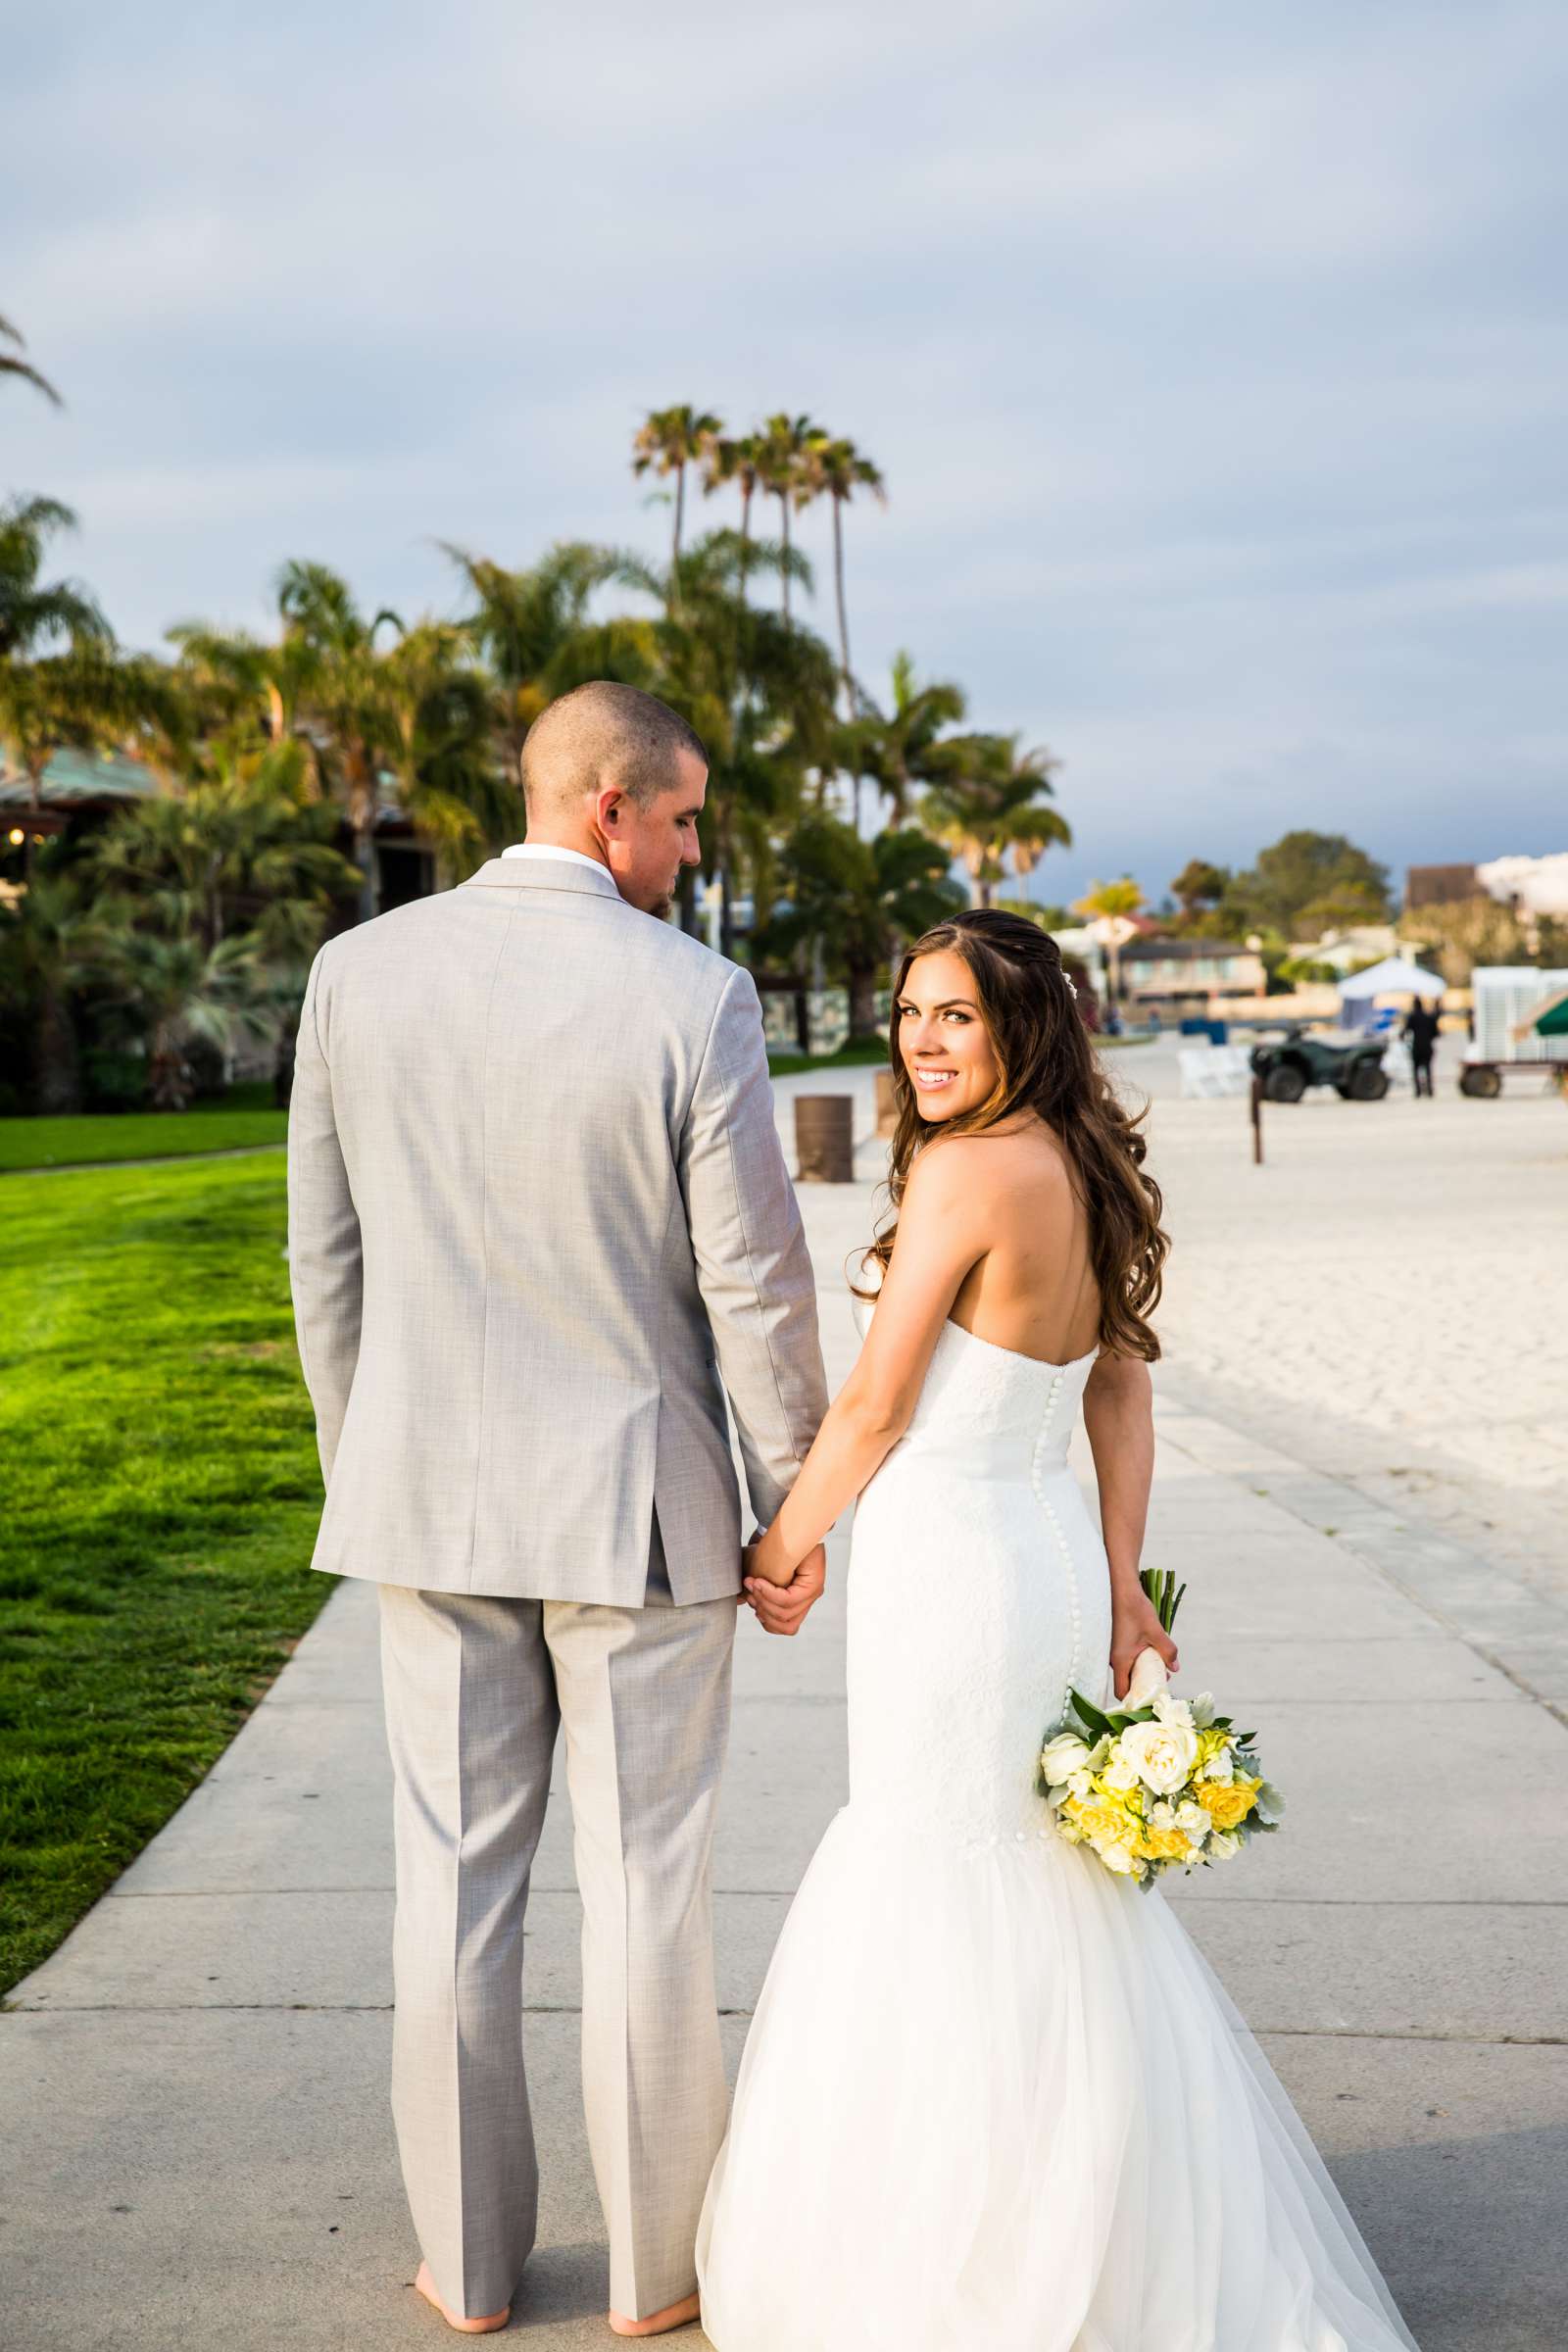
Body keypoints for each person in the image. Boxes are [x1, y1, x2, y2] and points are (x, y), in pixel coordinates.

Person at [697, 910, 1417, 2352]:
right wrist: (1120, 1575)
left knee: (937, 1872)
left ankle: (962, 2257)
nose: (921, 1040)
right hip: (1030, 1569)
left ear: (1024, 1026)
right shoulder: (1082, 1166)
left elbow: (880, 1410)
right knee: (1037, 1884)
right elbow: (1120, 1389)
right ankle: (1094, 2226)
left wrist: (781, 1545)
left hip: (947, 1572)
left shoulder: (968, 1169)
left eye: (956, 1015)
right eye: (912, 1013)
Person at [287, 682, 829, 2338]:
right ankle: (658, 2275)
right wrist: (793, 1497)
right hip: (642, 1519)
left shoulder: (354, 974)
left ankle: (469, 2268)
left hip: (429, 1500)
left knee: (449, 1888)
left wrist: (369, 1465)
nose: (688, 849)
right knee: (650, 1893)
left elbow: (328, 1261)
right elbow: (751, 1280)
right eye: (681, 820)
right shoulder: (691, 992)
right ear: (610, 806)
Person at [1402, 998, 1441, 1096]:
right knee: (1428, 1069)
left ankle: (1418, 1091)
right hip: (1427, 1047)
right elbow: (1436, 1033)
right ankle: (1429, 1090)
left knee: (1415, 1069)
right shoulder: (1428, 1017)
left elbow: (1405, 1031)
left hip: (1416, 1047)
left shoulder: (1412, 1017)